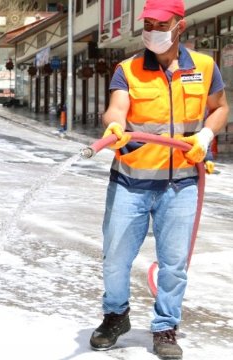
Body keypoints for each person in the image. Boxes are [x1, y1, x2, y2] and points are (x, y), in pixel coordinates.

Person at [89, 1, 228, 359]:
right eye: (148, 22)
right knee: (115, 259)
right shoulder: (128, 69)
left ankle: (165, 327)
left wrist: (205, 137)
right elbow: (116, 109)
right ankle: (115, 315)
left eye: (160, 23)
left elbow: (220, 108)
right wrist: (115, 126)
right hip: (130, 182)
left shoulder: (204, 66)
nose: (152, 29)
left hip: (181, 184)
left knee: (174, 263)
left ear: (179, 26)